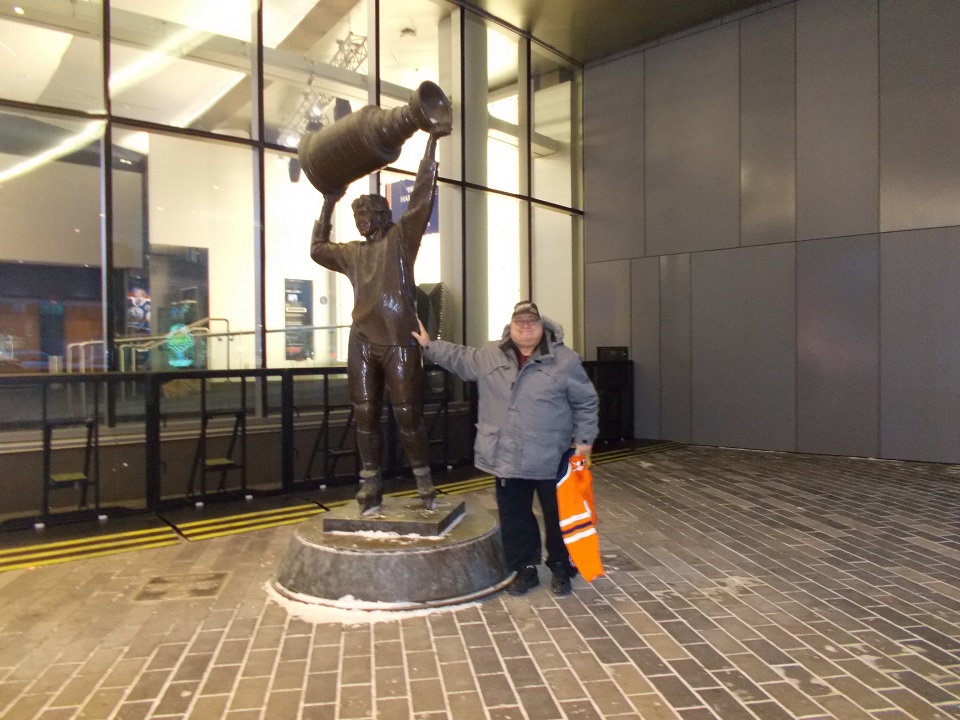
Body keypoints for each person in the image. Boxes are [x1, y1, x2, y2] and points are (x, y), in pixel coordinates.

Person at [411, 300, 599, 595]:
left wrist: (584, 442)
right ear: (510, 327)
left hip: (554, 456)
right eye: (519, 322)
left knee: (559, 515)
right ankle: (523, 568)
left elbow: (586, 402)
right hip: (507, 455)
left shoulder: (565, 360)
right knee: (514, 516)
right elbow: (460, 357)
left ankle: (561, 565)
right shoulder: (490, 355)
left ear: (542, 326)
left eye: (531, 322)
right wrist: (427, 345)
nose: (525, 327)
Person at [310, 126, 449, 516]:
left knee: (408, 415)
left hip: (400, 340)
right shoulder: (353, 253)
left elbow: (422, 196)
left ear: (384, 214)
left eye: (365, 213)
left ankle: (423, 480)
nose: (360, 221)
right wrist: (328, 204)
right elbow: (317, 249)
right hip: (363, 341)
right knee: (365, 414)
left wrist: (432, 142)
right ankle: (370, 482)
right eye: (355, 215)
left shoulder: (401, 239)